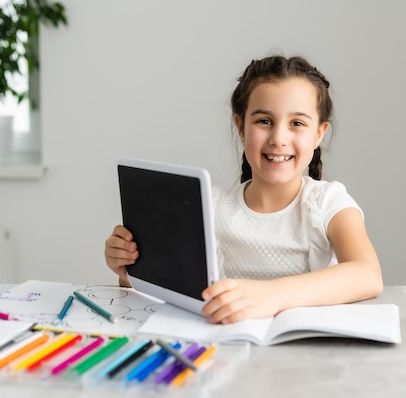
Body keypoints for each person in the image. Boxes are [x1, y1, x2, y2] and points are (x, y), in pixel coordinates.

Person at [105, 55, 383, 324]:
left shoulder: (328, 202)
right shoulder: (209, 206)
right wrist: (129, 268)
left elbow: (367, 275)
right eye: (264, 121)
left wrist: (271, 295)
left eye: (297, 123)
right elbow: (174, 288)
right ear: (240, 126)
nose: (278, 138)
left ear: (318, 133)